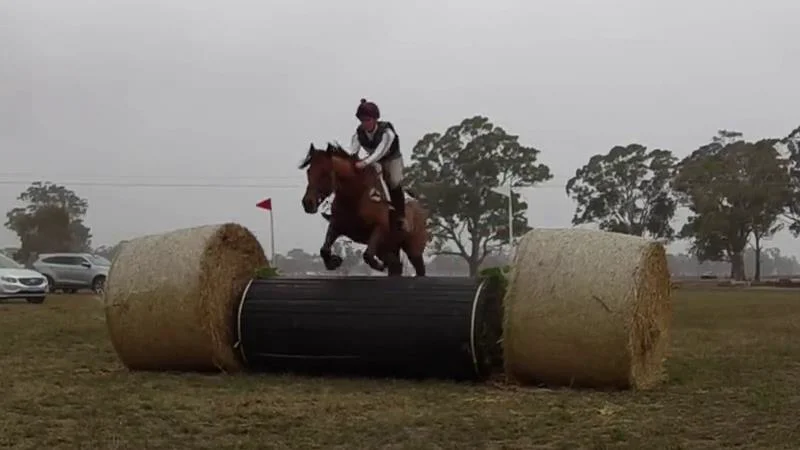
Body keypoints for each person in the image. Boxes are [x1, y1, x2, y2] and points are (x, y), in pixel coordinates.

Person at [350, 98, 406, 230]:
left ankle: (400, 216)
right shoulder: (358, 134)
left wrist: (364, 163)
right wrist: (352, 163)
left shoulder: (387, 133)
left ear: (375, 119)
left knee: (393, 180)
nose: (365, 124)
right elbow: (353, 151)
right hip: (372, 159)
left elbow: (379, 153)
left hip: (392, 159)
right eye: (362, 121)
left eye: (368, 120)